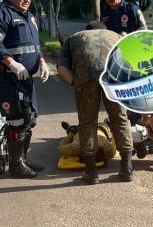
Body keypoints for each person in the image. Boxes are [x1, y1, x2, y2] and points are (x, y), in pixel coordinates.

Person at [0, 0, 50, 179]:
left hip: (25, 79)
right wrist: (11, 63)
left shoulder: (28, 16)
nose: (27, 0)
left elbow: (33, 45)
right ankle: (15, 165)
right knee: (17, 121)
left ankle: (23, 158)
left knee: (30, 119)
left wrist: (42, 61)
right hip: (6, 79)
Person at [56, 20, 134, 184]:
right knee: (120, 119)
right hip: (115, 78)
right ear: (105, 30)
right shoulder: (117, 36)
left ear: (87, 30)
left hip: (86, 77)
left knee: (87, 123)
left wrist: (76, 83)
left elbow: (62, 69)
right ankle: (127, 169)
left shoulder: (74, 38)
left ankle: (91, 173)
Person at [100, 0, 153, 155]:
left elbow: (145, 34)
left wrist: (128, 37)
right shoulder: (105, 14)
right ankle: (132, 139)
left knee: (144, 101)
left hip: (137, 62)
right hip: (118, 65)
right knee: (124, 102)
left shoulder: (132, 10)